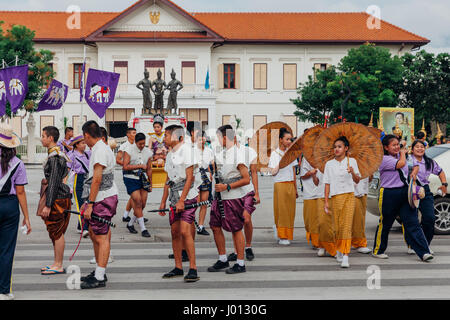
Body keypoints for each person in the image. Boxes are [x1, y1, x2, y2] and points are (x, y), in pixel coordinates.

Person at [372, 135, 433, 262]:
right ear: (386, 147)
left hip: (405, 192)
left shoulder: (404, 156)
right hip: (389, 193)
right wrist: (402, 153)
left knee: (413, 222)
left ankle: (424, 252)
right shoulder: (384, 159)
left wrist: (414, 173)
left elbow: (415, 165)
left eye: (397, 144)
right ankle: (378, 250)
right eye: (393, 145)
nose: (396, 147)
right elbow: (401, 164)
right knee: (386, 223)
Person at [79, 121, 119, 289]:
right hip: (100, 196)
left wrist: (90, 204)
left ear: (87, 135)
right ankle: (98, 270)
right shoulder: (99, 148)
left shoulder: (100, 150)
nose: (84, 140)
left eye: (84, 137)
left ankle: (100, 276)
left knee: (101, 237)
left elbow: (97, 179)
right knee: (95, 234)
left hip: (103, 197)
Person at [158, 125, 200, 282]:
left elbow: (190, 178)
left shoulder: (187, 151)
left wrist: (182, 200)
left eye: (168, 135)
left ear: (179, 137)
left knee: (184, 231)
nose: (165, 138)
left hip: (187, 196)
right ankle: (178, 266)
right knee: (175, 231)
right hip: (174, 196)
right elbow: (168, 180)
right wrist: (163, 201)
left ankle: (193, 268)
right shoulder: (170, 154)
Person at [207, 125, 251, 274]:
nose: (218, 141)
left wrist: (227, 186)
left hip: (233, 197)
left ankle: (240, 263)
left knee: (235, 229)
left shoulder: (238, 154)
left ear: (225, 138)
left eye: (219, 137)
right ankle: (223, 258)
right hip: (220, 196)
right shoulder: (223, 152)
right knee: (214, 225)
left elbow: (246, 179)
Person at [0, 123, 31, 300]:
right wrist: (26, 217)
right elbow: (20, 192)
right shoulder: (18, 163)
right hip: (10, 207)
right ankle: (4, 290)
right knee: (6, 250)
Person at [38, 126, 72, 275]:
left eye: (43, 136)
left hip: (58, 198)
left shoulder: (55, 158)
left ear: (50, 138)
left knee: (57, 232)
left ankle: (58, 265)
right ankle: (56, 262)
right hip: (59, 196)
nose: (42, 138)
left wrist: (48, 204)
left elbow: (53, 182)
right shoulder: (57, 155)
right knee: (55, 231)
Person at [323, 136, 361, 268]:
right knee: (337, 227)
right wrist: (326, 201)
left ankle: (346, 255)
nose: (336, 149)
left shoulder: (352, 162)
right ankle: (339, 249)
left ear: (346, 148)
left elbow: (357, 180)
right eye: (335, 147)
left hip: (349, 196)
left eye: (339, 147)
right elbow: (327, 183)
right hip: (335, 197)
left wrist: (352, 173)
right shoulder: (329, 164)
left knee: (346, 226)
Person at [405, 140, 447, 253]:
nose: (420, 149)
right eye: (417, 147)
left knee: (429, 218)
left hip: (424, 190)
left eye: (422, 147)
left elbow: (441, 172)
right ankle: (412, 245)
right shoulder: (408, 160)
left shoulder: (429, 162)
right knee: (412, 219)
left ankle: (425, 245)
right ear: (412, 149)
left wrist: (444, 184)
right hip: (410, 189)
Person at [228, 137, 258, 261]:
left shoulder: (249, 151)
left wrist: (257, 193)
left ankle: (248, 246)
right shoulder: (226, 153)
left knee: (246, 219)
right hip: (233, 191)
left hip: (247, 190)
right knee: (235, 221)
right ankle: (236, 250)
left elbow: (254, 172)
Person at [268, 128, 298, 245]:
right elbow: (272, 171)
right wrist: (281, 163)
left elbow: (293, 172)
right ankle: (281, 235)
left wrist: (295, 188)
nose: (289, 141)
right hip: (280, 185)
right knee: (282, 211)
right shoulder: (275, 154)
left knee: (290, 211)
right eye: (287, 139)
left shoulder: (291, 153)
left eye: (290, 139)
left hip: (290, 184)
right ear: (281, 140)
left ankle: (288, 234)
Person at [123, 133, 153, 238]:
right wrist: (139, 165)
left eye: (143, 143)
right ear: (135, 142)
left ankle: (130, 223)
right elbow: (125, 166)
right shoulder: (129, 150)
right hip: (130, 178)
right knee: (138, 201)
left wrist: (151, 182)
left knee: (143, 203)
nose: (141, 145)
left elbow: (149, 169)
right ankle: (143, 228)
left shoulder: (148, 152)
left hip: (142, 178)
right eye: (140, 144)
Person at [67, 135, 91, 237]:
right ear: (76, 145)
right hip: (78, 180)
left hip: (88, 180)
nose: (84, 145)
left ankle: (79, 226)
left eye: (85, 143)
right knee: (80, 204)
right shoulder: (72, 155)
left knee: (87, 203)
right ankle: (84, 228)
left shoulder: (88, 154)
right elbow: (67, 170)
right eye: (82, 143)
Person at [196, 131, 214, 236]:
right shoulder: (192, 151)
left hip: (206, 177)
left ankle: (201, 226)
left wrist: (211, 173)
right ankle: (190, 222)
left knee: (204, 203)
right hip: (196, 177)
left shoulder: (209, 151)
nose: (202, 140)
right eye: (199, 138)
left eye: (203, 138)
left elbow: (209, 164)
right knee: (195, 202)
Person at [116, 127, 136, 223]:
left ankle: (127, 215)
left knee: (135, 195)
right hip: (128, 172)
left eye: (135, 133)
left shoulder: (137, 145)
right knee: (135, 195)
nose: (135, 135)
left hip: (137, 172)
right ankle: (136, 216)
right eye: (133, 133)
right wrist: (127, 165)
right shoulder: (123, 146)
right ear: (128, 135)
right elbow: (118, 159)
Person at [300, 156, 320, 249]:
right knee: (310, 220)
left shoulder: (325, 157)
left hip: (322, 193)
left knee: (321, 220)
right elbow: (302, 176)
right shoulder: (306, 159)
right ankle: (315, 240)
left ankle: (321, 242)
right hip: (309, 193)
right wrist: (311, 172)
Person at [351, 177, 372, 254]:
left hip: (363, 191)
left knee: (360, 219)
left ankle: (355, 241)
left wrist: (370, 173)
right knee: (358, 219)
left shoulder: (366, 165)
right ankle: (359, 244)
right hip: (353, 191)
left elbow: (369, 179)